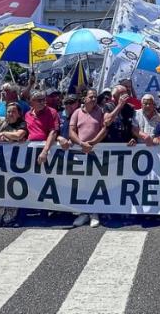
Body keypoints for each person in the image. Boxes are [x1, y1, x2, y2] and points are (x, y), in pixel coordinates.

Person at [67, 89, 106, 227]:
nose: (94, 99)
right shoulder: (77, 112)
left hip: (96, 152)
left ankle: (94, 212)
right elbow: (71, 131)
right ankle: (83, 213)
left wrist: (93, 143)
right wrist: (81, 143)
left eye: (95, 97)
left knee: (94, 182)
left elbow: (104, 129)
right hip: (80, 151)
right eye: (91, 97)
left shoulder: (100, 111)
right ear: (84, 98)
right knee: (81, 183)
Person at [0, 103, 29, 227]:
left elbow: (19, 135)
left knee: (14, 188)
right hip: (0, 163)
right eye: (8, 111)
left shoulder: (22, 124)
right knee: (0, 187)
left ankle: (10, 217)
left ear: (19, 114)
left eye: (13, 112)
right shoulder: (0, 124)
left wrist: (3, 135)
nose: (10, 114)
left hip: (16, 162)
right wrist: (6, 136)